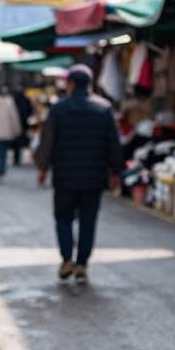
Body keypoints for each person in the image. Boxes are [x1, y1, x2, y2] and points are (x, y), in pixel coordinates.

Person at [34, 64, 122, 284]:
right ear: (90, 85)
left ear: (71, 84)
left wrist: (42, 168)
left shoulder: (59, 109)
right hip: (94, 177)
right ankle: (82, 263)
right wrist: (116, 171)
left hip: (64, 177)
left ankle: (66, 260)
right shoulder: (104, 108)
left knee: (63, 218)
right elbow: (114, 143)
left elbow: (47, 142)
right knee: (88, 220)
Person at [10, 84, 33, 165]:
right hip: (22, 124)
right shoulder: (22, 100)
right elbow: (30, 111)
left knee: (17, 142)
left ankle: (17, 158)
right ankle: (17, 158)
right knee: (19, 142)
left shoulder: (13, 100)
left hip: (20, 124)